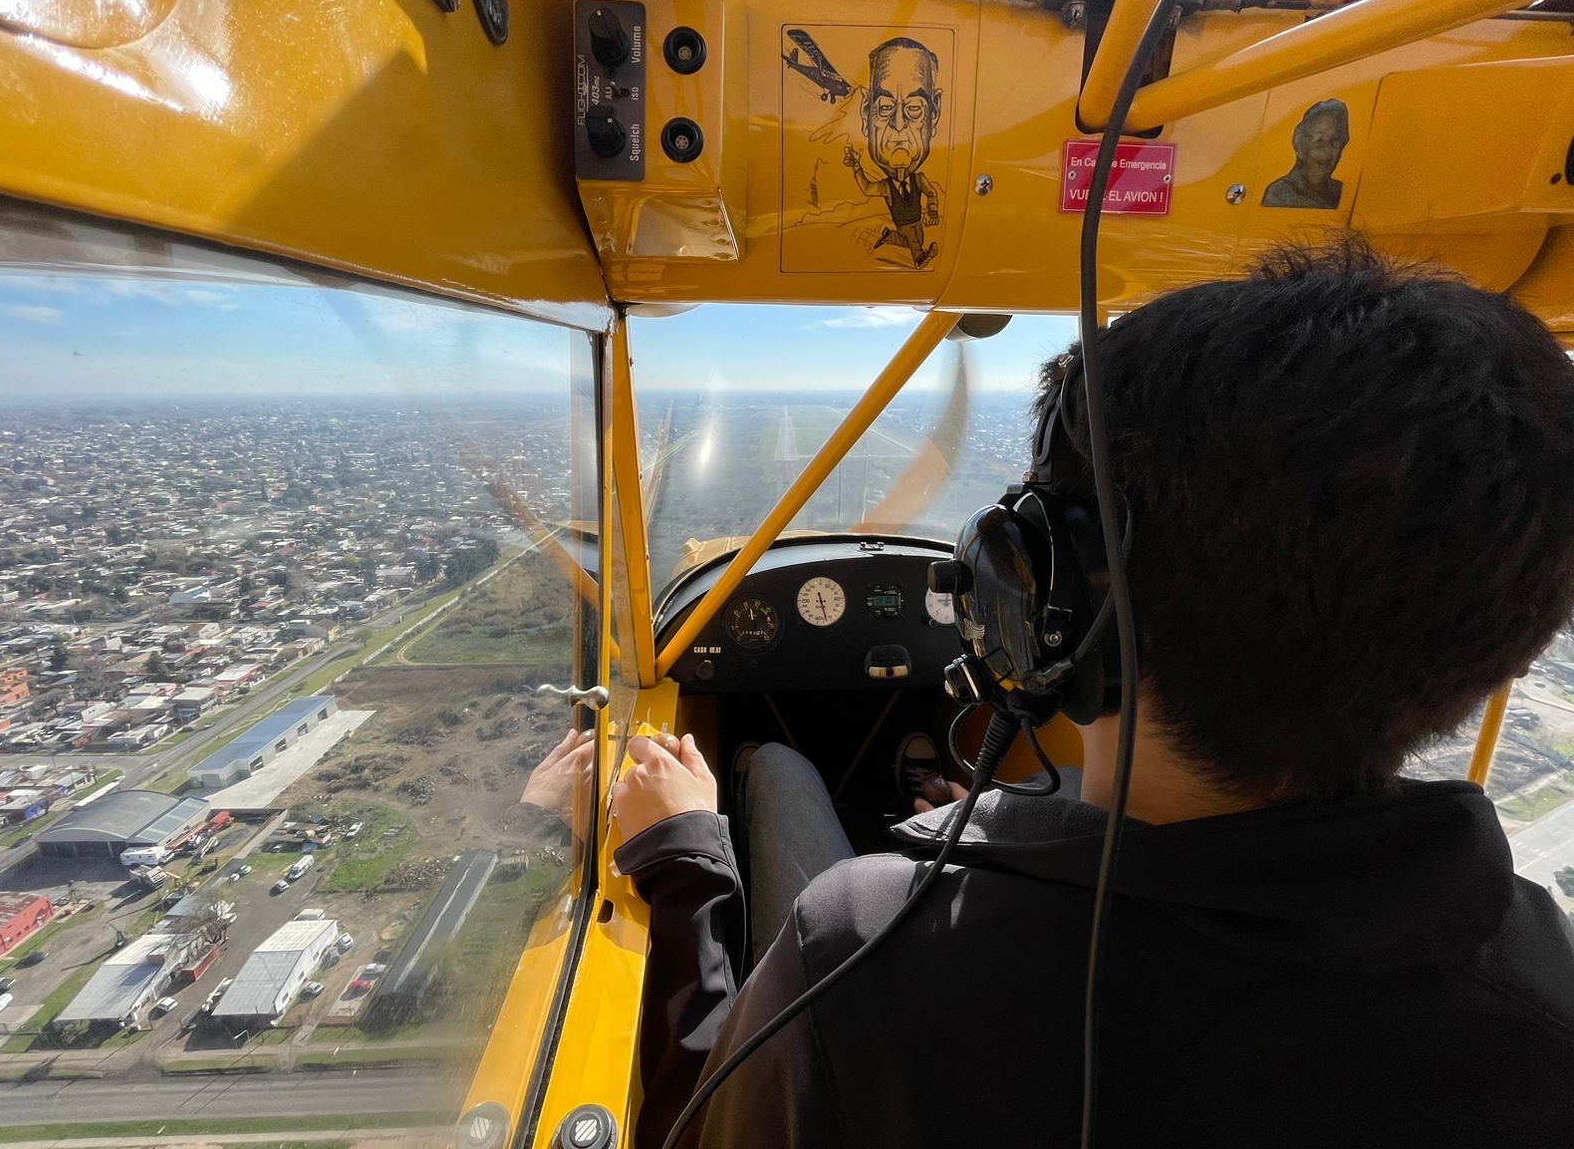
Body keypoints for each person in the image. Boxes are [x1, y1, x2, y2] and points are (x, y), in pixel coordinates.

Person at [610, 241, 1574, 1147]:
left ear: (1051, 587)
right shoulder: (1546, 991)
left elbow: (695, 1122)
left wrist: (685, 859)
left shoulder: (861, 951)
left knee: (775, 767)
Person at [842, 37, 943, 268]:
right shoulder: (887, 187)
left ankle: (890, 236)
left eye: (915, 108)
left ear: (934, 112)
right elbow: (867, 188)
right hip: (905, 222)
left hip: (915, 221)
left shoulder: (919, 179)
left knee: (915, 238)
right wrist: (856, 167)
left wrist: (933, 209)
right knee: (915, 243)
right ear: (867, 113)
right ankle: (920, 259)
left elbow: (931, 193)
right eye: (885, 107)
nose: (899, 125)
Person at [1261, 99, 1350, 209]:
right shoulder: (1279, 195)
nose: (1327, 150)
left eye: (1335, 140)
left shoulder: (1342, 192)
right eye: (1319, 141)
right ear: (1301, 146)